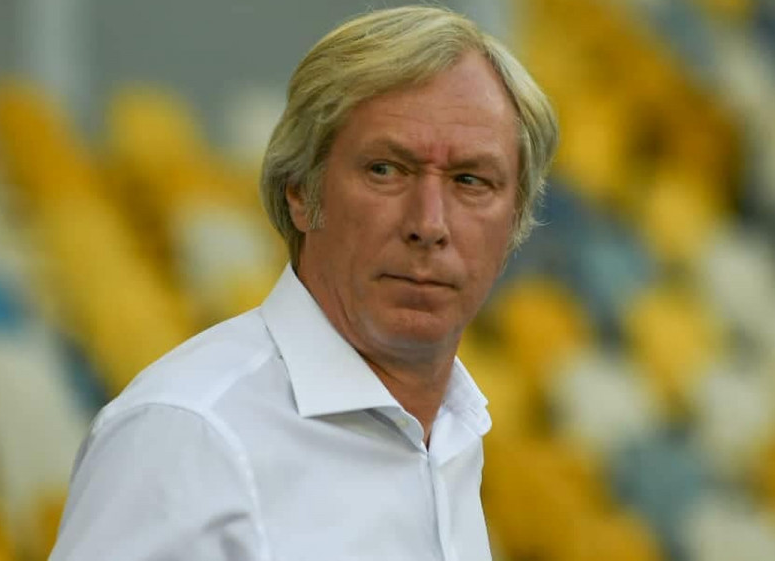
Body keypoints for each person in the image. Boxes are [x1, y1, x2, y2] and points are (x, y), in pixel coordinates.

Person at [49, 5, 557, 560]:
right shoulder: (189, 438)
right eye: (386, 169)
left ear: (515, 219)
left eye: (470, 180)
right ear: (300, 191)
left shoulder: (455, 434)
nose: (429, 223)